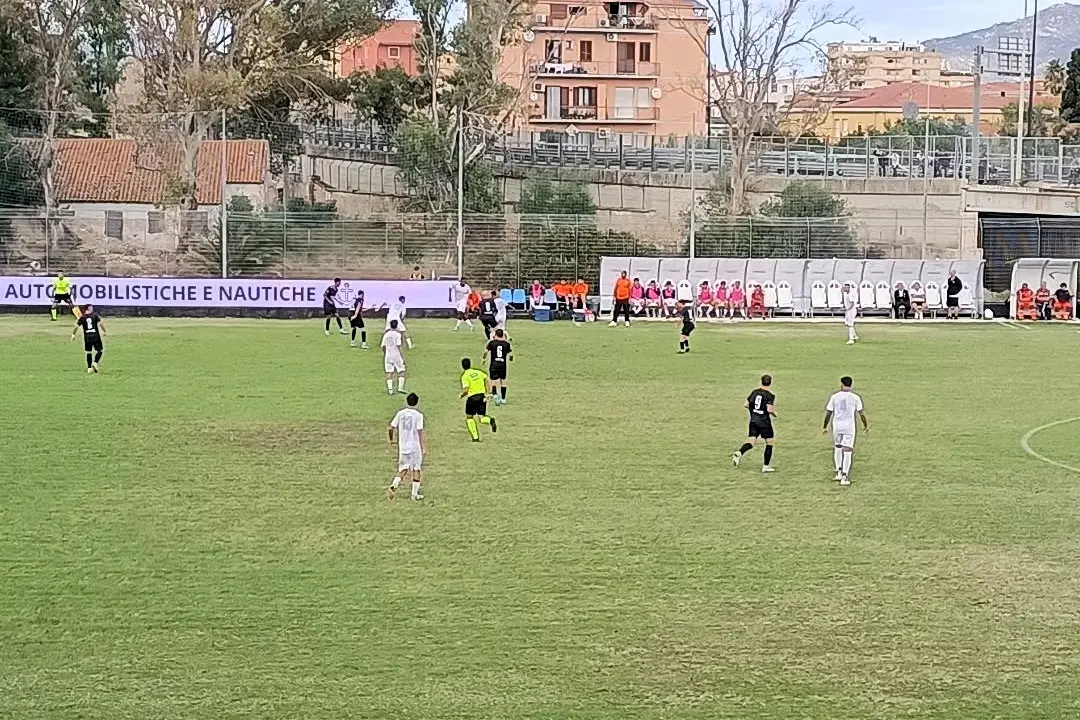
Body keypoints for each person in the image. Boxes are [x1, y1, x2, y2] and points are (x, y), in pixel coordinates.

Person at [822, 376, 869, 486]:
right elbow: (861, 413)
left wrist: (825, 426)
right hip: (849, 427)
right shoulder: (855, 397)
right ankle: (844, 476)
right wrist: (865, 425)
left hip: (837, 426)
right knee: (847, 451)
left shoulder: (834, 396)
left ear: (841, 384)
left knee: (838, 448)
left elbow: (829, 413)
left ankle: (838, 472)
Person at [732, 374, 776, 473]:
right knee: (769, 443)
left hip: (753, 421)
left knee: (751, 442)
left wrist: (754, 410)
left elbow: (746, 404)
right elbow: (769, 409)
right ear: (770, 382)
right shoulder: (770, 395)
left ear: (761, 381)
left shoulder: (754, 392)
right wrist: (774, 413)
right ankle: (766, 466)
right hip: (764, 423)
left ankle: (740, 452)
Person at [388, 393, 426, 501]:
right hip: (414, 446)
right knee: (416, 469)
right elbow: (420, 432)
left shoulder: (400, 413)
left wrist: (391, 440)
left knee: (403, 468)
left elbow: (391, 428)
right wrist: (423, 447)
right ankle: (414, 494)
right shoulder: (418, 415)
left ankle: (394, 485)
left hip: (403, 446)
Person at [460, 358, 497, 441]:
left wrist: (462, 395)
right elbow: (487, 379)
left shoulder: (465, 376)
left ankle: (475, 437)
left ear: (462, 366)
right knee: (482, 417)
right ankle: (490, 420)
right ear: (470, 364)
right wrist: (489, 392)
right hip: (481, 396)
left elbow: (466, 390)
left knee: (469, 417)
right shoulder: (477, 372)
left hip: (472, 398)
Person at [71, 303, 106, 373]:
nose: (92, 308)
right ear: (89, 308)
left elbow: (76, 326)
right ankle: (95, 363)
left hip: (87, 337)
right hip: (95, 336)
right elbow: (101, 323)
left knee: (88, 352)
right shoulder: (95, 315)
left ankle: (89, 368)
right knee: (100, 351)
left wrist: (73, 334)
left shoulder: (82, 317)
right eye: (91, 307)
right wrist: (104, 331)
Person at [483, 328, 513, 405]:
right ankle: (503, 399)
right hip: (503, 365)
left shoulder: (492, 343)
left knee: (493, 380)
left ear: (495, 335)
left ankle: (495, 395)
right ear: (502, 335)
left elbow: (486, 352)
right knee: (503, 381)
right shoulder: (506, 344)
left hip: (494, 364)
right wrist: (510, 358)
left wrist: (483, 358)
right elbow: (511, 355)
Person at [381, 319, 407, 396]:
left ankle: (390, 389)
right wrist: (403, 357)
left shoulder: (386, 335)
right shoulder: (397, 335)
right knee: (401, 371)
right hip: (396, 355)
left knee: (389, 372)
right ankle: (400, 387)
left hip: (388, 355)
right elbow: (399, 346)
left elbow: (383, 346)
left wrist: (386, 353)